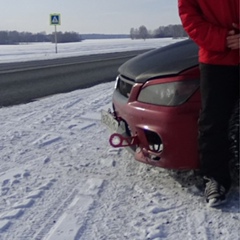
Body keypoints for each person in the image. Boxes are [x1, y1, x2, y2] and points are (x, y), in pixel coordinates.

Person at [178, 0, 239, 207]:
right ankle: (216, 178)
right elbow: (189, 16)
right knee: (213, 121)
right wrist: (222, 39)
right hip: (216, 59)